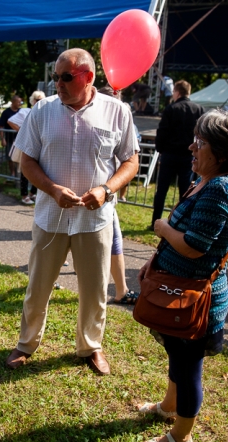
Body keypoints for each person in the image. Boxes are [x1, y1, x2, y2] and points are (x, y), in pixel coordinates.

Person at [4, 48, 139, 376]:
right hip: (50, 216)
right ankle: (26, 343)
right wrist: (52, 189)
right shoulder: (42, 111)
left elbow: (130, 161)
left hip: (95, 220)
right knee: (38, 285)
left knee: (94, 290)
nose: (58, 84)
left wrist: (106, 190)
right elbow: (26, 160)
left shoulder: (117, 111)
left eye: (66, 77)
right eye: (56, 77)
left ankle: (91, 346)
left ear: (89, 77)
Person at [136, 109, 228, 442]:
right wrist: (154, 261)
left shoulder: (218, 190)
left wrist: (162, 228)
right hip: (178, 292)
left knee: (188, 370)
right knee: (177, 357)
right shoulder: (208, 181)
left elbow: (192, 247)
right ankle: (168, 408)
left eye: (199, 142)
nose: (190, 148)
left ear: (220, 151)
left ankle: (180, 438)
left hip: (195, 301)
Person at [97, 85, 138, 306]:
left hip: (105, 196)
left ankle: (121, 289)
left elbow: (130, 159)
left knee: (114, 240)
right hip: (99, 197)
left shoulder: (120, 116)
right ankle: (120, 290)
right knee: (112, 241)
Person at [151, 80, 206, 230]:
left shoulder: (171, 108)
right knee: (186, 191)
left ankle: (155, 220)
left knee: (162, 190)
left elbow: (162, 131)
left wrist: (160, 149)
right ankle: (182, 222)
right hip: (188, 155)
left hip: (169, 154)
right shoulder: (199, 109)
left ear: (177, 92)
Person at [7, 91, 46, 204]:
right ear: (33, 101)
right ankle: (24, 195)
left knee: (39, 170)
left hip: (40, 146)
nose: (39, 102)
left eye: (41, 99)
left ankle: (32, 193)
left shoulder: (46, 113)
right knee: (25, 170)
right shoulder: (26, 111)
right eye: (37, 100)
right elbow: (11, 121)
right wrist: (23, 131)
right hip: (28, 146)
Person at [0, 95, 22, 177]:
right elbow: (1, 126)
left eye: (20, 102)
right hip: (9, 138)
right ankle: (12, 172)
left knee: (20, 157)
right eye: (18, 102)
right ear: (13, 102)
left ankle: (19, 173)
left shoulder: (21, 112)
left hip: (20, 139)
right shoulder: (6, 113)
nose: (20, 103)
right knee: (10, 157)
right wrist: (2, 139)